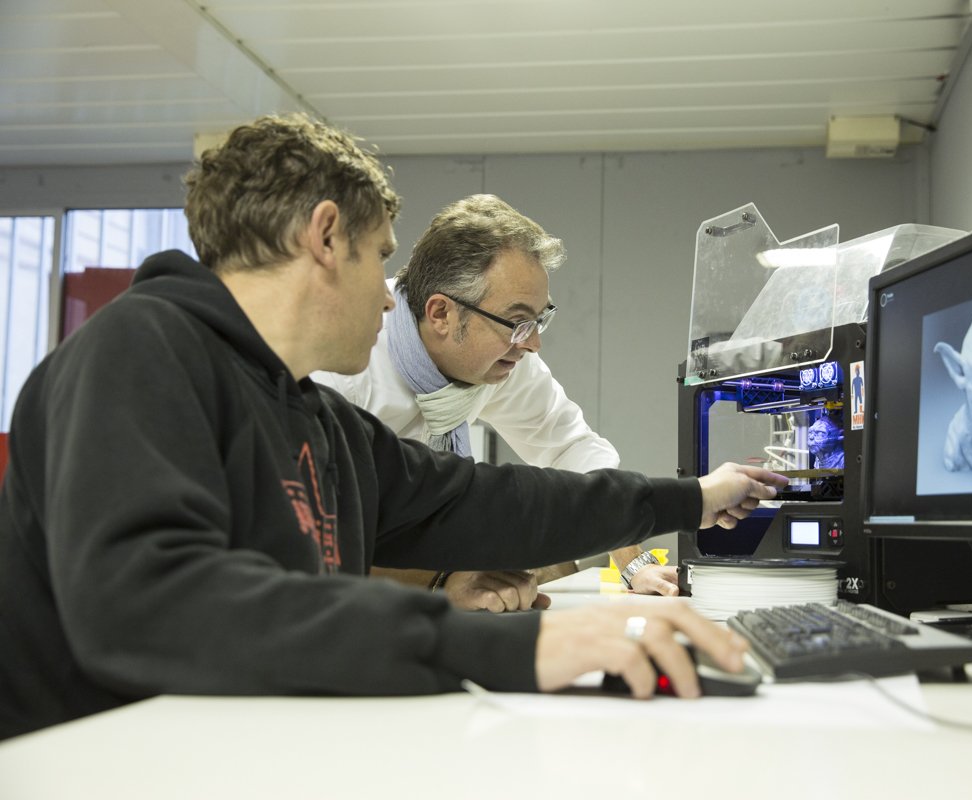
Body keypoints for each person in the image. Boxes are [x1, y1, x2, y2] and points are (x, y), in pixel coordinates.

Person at [0, 112, 786, 741]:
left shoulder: (316, 418)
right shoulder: (138, 355)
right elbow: (152, 606)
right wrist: (509, 646)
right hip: (99, 761)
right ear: (326, 235)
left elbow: (493, 500)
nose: (388, 297)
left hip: (242, 744)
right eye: (381, 259)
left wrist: (689, 499)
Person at [312, 194, 676, 611]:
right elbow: (320, 542)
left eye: (539, 320)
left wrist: (635, 564)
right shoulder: (344, 369)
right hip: (351, 597)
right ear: (441, 314)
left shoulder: (500, 355)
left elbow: (570, 449)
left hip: (429, 579)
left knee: (558, 564)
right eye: (519, 321)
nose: (534, 343)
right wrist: (441, 580)